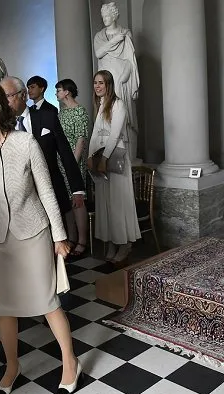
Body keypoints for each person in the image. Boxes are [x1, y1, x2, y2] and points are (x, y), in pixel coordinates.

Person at [0, 80, 81, 394]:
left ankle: (70, 361)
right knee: (4, 307)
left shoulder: (26, 144)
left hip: (33, 234)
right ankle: (12, 365)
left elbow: (46, 190)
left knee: (47, 302)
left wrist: (59, 236)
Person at [0, 77, 86, 257]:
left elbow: (65, 152)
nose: (5, 101)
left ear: (23, 95)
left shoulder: (47, 116)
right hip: (20, 196)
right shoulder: (2, 126)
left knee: (55, 244)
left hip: (50, 186)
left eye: (8, 96)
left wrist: (77, 188)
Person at [88, 70, 141, 263]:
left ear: (109, 84)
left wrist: (104, 158)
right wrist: (90, 157)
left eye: (101, 83)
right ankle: (111, 240)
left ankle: (124, 243)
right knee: (105, 202)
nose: (97, 86)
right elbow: (95, 133)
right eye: (95, 83)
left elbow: (114, 134)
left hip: (114, 156)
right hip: (100, 156)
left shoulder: (118, 104)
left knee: (118, 202)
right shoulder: (100, 104)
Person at [94, 1, 140, 162]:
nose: (105, 19)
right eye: (103, 16)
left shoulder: (126, 33)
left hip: (122, 80)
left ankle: (128, 156)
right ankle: (108, 153)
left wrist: (124, 78)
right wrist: (115, 41)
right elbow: (99, 53)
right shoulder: (100, 36)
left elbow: (130, 60)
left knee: (124, 114)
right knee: (106, 115)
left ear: (114, 16)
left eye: (107, 16)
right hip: (107, 81)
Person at [55, 78, 91, 256]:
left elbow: (81, 140)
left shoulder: (80, 112)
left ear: (67, 92)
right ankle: (71, 237)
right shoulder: (61, 113)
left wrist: (73, 165)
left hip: (74, 163)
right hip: (60, 162)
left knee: (77, 202)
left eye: (59, 90)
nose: (57, 93)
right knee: (66, 201)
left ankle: (83, 241)